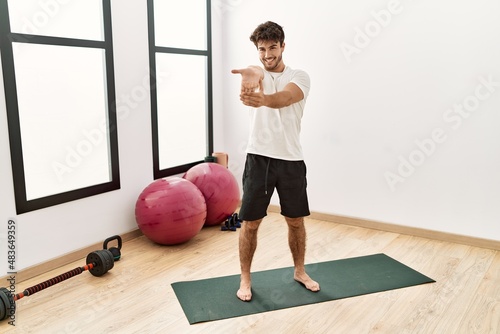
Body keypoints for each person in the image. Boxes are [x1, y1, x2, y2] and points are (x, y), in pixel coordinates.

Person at [232, 21, 320, 302]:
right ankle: (245, 278)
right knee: (251, 223)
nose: (267, 54)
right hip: (259, 158)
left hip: (291, 159)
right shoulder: (257, 72)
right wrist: (250, 75)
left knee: (295, 221)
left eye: (272, 47)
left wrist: (264, 100)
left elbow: (286, 97)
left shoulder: (299, 76)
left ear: (283, 46)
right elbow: (255, 72)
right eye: (262, 49)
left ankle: (299, 271)